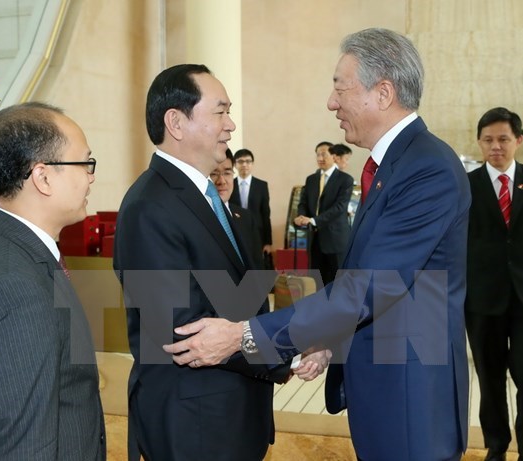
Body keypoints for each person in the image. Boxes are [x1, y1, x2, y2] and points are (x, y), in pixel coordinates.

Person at [164, 28, 471, 461]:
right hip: (387, 387)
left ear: (382, 93)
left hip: (410, 396)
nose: (331, 102)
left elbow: (370, 288)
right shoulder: (394, 164)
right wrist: (329, 339)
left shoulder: (426, 169)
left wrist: (244, 336)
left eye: (339, 88)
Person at [113, 64, 321, 461]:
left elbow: (237, 299)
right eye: (220, 111)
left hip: (228, 412)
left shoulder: (202, 196)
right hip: (194, 423)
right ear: (176, 121)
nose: (231, 125)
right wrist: (287, 351)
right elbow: (185, 329)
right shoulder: (149, 207)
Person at [0, 102, 106, 459]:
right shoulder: (15, 286)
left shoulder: (1, 243)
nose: (91, 176)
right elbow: (23, 447)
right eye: (85, 163)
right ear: (43, 176)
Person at [466, 107, 523, 461]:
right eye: (488, 140)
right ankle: (496, 446)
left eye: (503, 139)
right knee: (490, 382)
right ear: (479, 142)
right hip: (481, 300)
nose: (495, 146)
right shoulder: (467, 185)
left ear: (518, 141)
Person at [294, 141, 354, 285]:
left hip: (336, 241)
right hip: (315, 240)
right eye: (318, 154)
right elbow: (303, 202)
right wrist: (301, 217)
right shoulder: (311, 179)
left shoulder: (345, 180)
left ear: (334, 156)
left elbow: (339, 208)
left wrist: (314, 220)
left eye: (324, 154)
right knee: (317, 282)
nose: (320, 158)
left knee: (339, 283)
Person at [213, 149, 263, 269]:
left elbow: (256, 264)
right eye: (214, 173)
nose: (222, 181)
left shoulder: (246, 217)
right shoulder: (196, 217)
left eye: (227, 173)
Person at [230, 148, 273, 260]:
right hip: (235, 232)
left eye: (248, 161)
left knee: (256, 265)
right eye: (240, 161)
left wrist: (268, 242)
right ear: (235, 164)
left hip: (256, 233)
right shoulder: (229, 184)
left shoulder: (261, 186)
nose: (244, 164)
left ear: (252, 164)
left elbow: (265, 215)